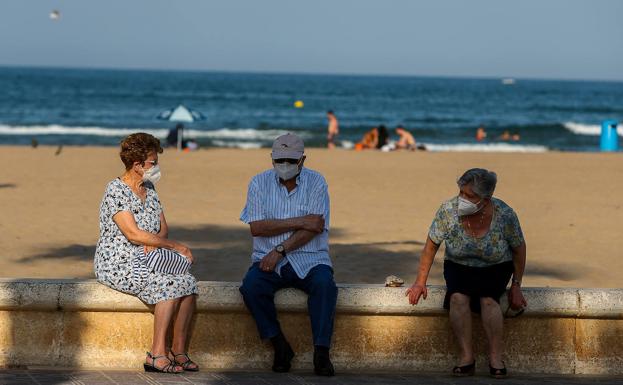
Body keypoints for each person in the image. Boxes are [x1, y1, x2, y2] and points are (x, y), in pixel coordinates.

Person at [405, 168, 527, 379]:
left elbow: (519, 249)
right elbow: (430, 247)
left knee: (489, 300)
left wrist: (516, 285)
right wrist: (419, 282)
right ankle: (466, 358)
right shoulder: (448, 210)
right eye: (461, 192)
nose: (463, 199)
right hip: (458, 265)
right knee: (458, 298)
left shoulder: (505, 214)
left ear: (486, 198)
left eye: (469, 196)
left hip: (495, 266)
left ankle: (496, 358)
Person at [94, 133, 199, 374]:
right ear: (137, 164)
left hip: (148, 256)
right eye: (153, 162)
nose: (157, 167)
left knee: (189, 283)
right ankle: (156, 354)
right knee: (170, 283)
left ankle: (179, 351)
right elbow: (132, 234)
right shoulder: (115, 190)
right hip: (119, 261)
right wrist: (175, 246)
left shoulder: (149, 188)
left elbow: (162, 226)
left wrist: (157, 241)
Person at [239, 133, 337, 376]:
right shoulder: (258, 183)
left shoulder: (317, 182)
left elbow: (315, 229)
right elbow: (257, 227)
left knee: (325, 286)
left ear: (302, 160)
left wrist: (280, 250)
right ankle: (279, 345)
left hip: (311, 258)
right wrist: (301, 221)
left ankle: (321, 352)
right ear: (271, 159)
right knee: (251, 287)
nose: (285, 165)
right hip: (266, 260)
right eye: (279, 159)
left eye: (290, 160)